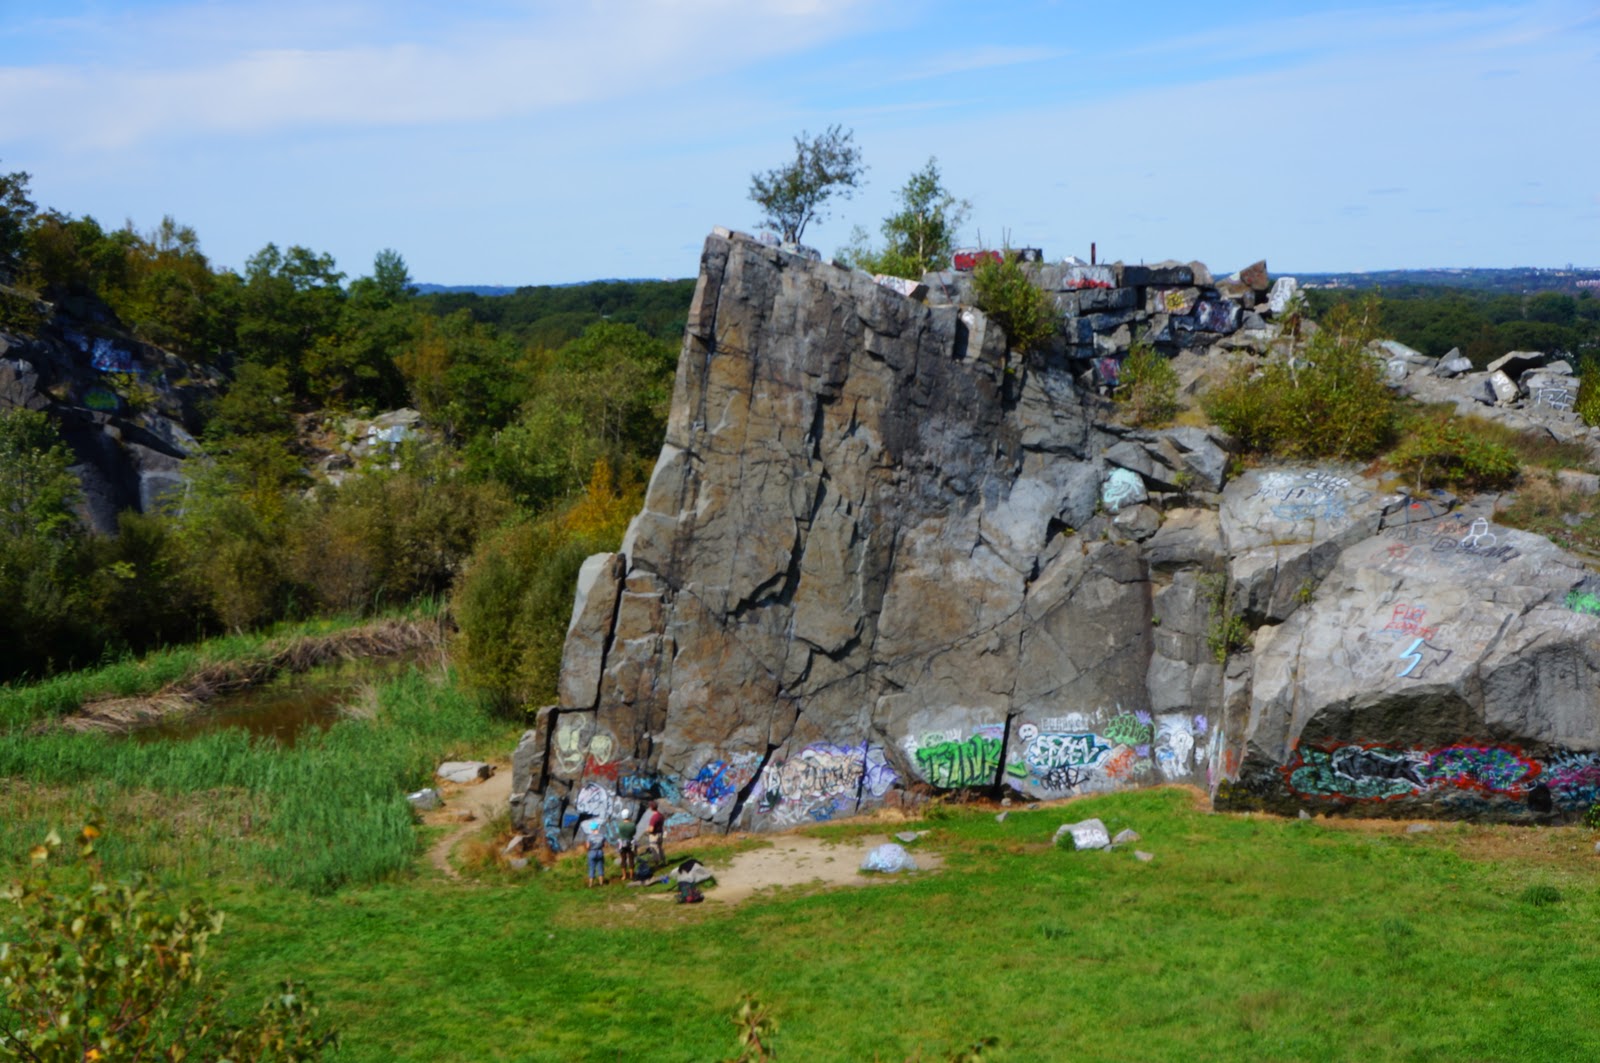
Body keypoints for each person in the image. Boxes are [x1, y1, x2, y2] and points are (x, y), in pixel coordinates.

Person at [616, 808, 637, 880]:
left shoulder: (620, 825)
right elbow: (634, 833)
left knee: (623, 859)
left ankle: (624, 876)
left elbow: (619, 833)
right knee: (631, 859)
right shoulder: (632, 825)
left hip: (622, 844)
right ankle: (631, 875)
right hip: (630, 843)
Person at [584, 823, 606, 887]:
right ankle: (601, 883)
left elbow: (588, 846)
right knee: (600, 867)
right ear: (597, 828)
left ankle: (590, 884)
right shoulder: (602, 836)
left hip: (592, 852)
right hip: (600, 852)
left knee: (591, 868)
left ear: (592, 829)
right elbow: (605, 845)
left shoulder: (589, 836)